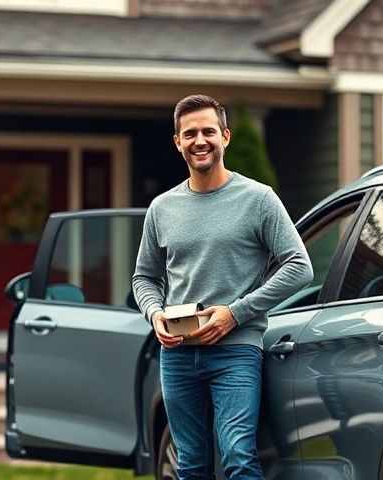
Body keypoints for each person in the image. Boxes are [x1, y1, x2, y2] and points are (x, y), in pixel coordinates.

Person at [132, 94, 313, 480]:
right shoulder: (162, 208)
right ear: (177, 142)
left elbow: (299, 267)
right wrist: (155, 313)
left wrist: (236, 313)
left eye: (209, 131)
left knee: (237, 455)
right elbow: (144, 277)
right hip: (178, 355)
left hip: (235, 350)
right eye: (190, 133)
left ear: (226, 137)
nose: (200, 141)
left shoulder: (259, 199)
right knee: (190, 463)